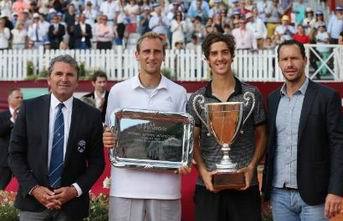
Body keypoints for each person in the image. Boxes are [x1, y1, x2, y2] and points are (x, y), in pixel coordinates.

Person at [103, 32, 189, 221]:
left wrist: (182, 159)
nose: (152, 57)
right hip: (125, 187)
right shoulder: (118, 91)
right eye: (146, 51)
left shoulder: (179, 93)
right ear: (137, 55)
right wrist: (107, 137)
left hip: (166, 189)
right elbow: (110, 131)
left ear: (164, 55)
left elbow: (183, 139)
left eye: (157, 52)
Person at [8, 55, 105, 221]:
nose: (64, 79)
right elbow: (15, 154)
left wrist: (74, 190)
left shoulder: (92, 116)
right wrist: (35, 189)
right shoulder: (29, 109)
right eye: (59, 74)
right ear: (49, 79)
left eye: (70, 75)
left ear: (77, 81)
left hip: (71, 206)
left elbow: (97, 163)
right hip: (33, 204)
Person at [187, 32, 267, 221]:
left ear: (232, 55)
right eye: (214, 54)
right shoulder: (198, 99)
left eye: (224, 52)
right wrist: (204, 172)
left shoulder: (251, 94)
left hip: (246, 184)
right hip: (208, 186)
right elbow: (192, 138)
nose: (220, 58)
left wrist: (251, 167)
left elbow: (263, 135)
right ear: (207, 59)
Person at [262, 40, 343, 221]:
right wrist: (265, 192)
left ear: (305, 60)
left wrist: (336, 190)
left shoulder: (327, 97)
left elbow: (339, 146)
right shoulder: (273, 99)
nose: (289, 64)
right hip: (279, 194)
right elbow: (271, 147)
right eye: (284, 59)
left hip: (315, 195)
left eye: (294, 58)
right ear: (279, 63)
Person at [0, 88, 23, 190]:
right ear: (9, 99)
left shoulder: (26, 115)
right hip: (4, 162)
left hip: (21, 160)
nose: (20, 99)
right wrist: (12, 120)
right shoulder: (2, 116)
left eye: (22, 97)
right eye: (17, 97)